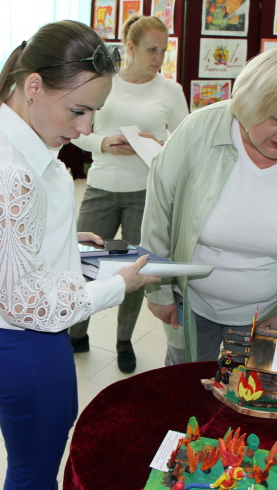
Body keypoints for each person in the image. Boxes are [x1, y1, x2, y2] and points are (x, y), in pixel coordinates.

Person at [0, 20, 159, 490]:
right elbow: (28, 303)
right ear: (35, 86)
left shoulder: (3, 130)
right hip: (25, 343)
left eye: (92, 112)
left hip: (8, 336)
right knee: (32, 466)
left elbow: (11, 237)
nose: (86, 129)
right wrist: (118, 287)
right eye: (78, 110)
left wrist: (65, 241)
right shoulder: (7, 168)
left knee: (37, 449)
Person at [141, 44, 277, 365]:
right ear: (249, 102)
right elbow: (160, 217)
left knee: (250, 403)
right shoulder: (198, 131)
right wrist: (157, 291)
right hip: (191, 304)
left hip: (268, 315)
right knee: (184, 397)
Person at [67, 15, 189, 373]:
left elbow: (185, 141)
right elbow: (76, 130)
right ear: (130, 47)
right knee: (83, 262)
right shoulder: (105, 84)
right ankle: (76, 333)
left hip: (144, 193)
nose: (159, 58)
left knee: (135, 270)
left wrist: (158, 144)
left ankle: (123, 340)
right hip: (102, 186)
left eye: (163, 51)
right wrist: (102, 142)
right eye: (152, 50)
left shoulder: (171, 90)